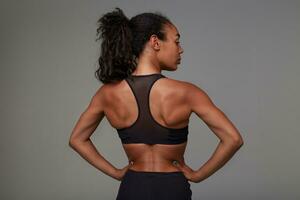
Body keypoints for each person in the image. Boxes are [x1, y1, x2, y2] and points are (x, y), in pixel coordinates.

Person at [68, 7, 244, 200]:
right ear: (155, 42)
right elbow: (233, 139)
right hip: (172, 188)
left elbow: (77, 139)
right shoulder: (187, 92)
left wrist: (116, 172)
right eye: (176, 41)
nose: (180, 48)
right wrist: (198, 175)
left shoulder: (107, 94)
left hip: (132, 186)